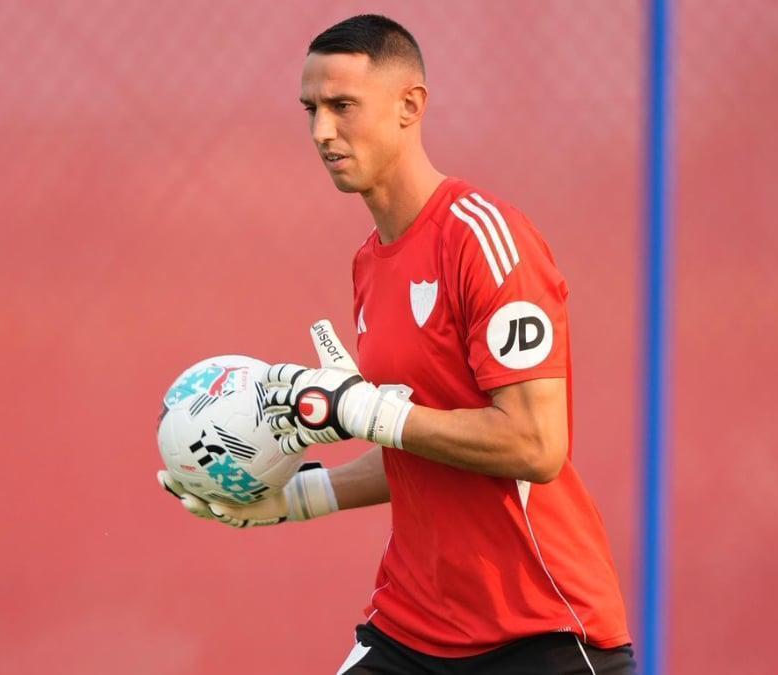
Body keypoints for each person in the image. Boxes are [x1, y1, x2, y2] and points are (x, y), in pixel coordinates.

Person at [159, 14, 635, 675]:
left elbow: (535, 444)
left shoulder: (486, 239)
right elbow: (421, 445)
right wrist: (298, 496)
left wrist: (369, 412)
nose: (322, 131)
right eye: (311, 110)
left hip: (540, 631)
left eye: (342, 106)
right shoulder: (369, 264)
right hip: (413, 627)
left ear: (411, 105)